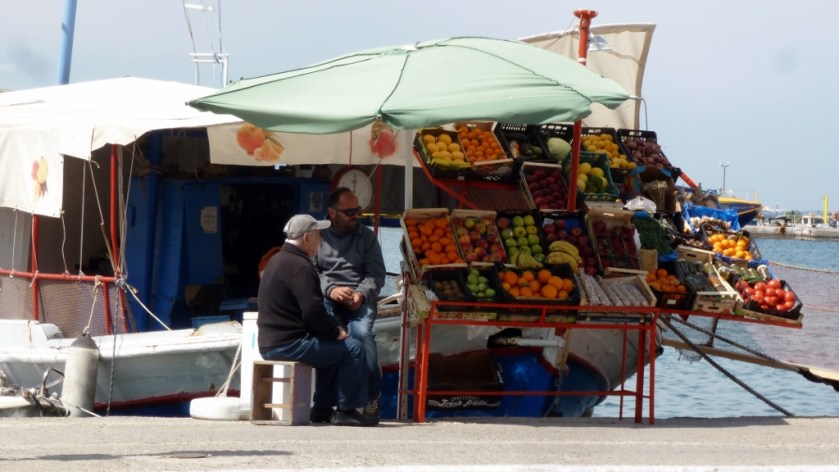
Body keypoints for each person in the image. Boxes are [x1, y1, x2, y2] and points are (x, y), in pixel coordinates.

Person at [257, 214, 374, 426]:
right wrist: (335, 332)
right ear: (307, 237)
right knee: (353, 349)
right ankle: (347, 410)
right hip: (288, 344)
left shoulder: (277, 260)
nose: (321, 241)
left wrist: (330, 332)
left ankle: (322, 409)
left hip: (270, 342)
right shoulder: (300, 267)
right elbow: (312, 311)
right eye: (318, 235)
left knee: (332, 346)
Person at [315, 188, 386, 424]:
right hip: (328, 296)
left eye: (358, 210)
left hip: (359, 296)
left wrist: (361, 294)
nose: (356, 215)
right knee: (330, 336)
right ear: (332, 212)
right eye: (349, 212)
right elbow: (312, 271)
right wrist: (331, 290)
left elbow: (376, 273)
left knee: (362, 334)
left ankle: (372, 398)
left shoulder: (367, 237)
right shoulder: (318, 235)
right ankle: (324, 403)